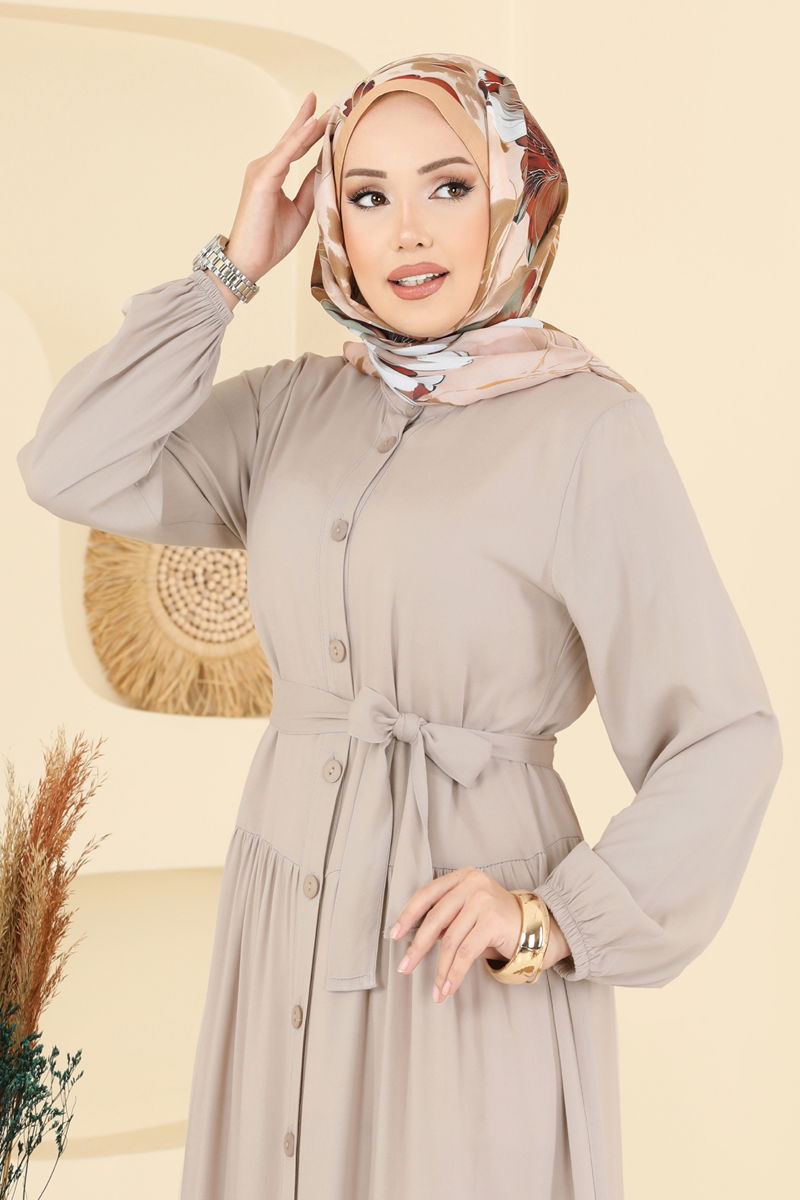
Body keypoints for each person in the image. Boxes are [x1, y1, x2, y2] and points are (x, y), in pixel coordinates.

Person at [16, 50, 782, 1200]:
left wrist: (550, 919)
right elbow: (69, 463)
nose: (407, 232)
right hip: (286, 903)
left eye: (448, 186)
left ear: (512, 197)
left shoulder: (587, 431)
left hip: (453, 943)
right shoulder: (294, 407)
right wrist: (229, 270)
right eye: (367, 196)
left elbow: (722, 733)